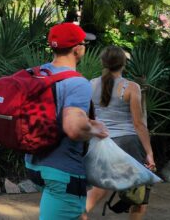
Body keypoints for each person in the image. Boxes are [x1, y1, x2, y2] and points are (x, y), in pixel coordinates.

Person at [27, 22, 109, 220]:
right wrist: (94, 128)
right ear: (77, 49)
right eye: (84, 44)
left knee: (77, 214)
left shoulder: (34, 73)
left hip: (34, 164)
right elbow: (73, 128)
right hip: (62, 172)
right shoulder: (77, 82)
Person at [84, 46, 155, 219]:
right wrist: (149, 153)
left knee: (99, 188)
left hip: (100, 143)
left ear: (103, 62)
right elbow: (138, 124)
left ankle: (77, 216)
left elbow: (87, 117)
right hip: (127, 144)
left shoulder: (90, 84)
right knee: (138, 195)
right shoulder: (131, 87)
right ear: (124, 64)